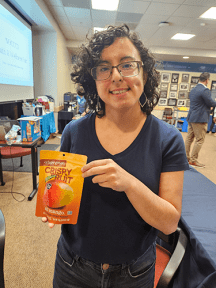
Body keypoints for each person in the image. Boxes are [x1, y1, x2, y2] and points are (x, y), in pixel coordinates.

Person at [42, 24, 189, 288]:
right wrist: (53, 205)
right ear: (93, 80)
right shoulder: (74, 132)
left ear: (144, 71)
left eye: (127, 64)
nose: (117, 76)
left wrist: (129, 184)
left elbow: (169, 223)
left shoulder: (168, 139)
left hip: (134, 272)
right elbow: (60, 188)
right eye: (104, 68)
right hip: (71, 266)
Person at [185, 72, 216, 168]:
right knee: (200, 139)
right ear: (207, 80)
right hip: (200, 119)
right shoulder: (205, 90)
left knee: (189, 138)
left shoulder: (193, 89)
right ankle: (193, 160)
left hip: (191, 117)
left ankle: (186, 158)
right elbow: (210, 102)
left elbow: (200, 103)